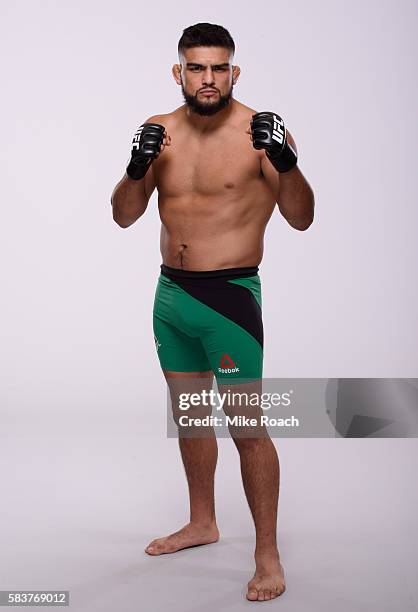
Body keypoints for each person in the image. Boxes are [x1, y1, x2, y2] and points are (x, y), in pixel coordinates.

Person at [111, 22, 314, 602]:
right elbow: (125, 216)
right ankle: (203, 521)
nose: (208, 79)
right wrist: (133, 168)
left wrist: (288, 160)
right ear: (179, 72)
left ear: (234, 72)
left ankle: (267, 555)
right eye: (196, 68)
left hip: (228, 299)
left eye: (218, 68)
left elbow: (301, 217)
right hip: (170, 297)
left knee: (246, 427)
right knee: (192, 416)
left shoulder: (261, 134)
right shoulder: (159, 131)